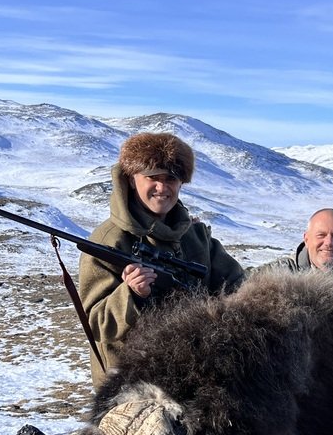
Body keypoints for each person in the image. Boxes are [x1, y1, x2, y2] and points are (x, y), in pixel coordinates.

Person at [78, 132, 246, 388]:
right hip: (131, 384)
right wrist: (130, 294)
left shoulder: (196, 235)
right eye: (153, 178)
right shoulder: (108, 241)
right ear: (132, 180)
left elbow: (237, 286)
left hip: (194, 374)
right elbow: (96, 325)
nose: (162, 187)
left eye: (171, 178)